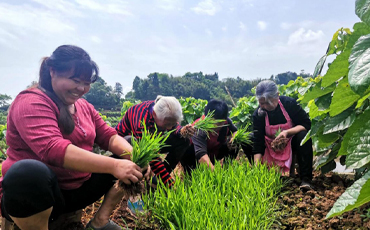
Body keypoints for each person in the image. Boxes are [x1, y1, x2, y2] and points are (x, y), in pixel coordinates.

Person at [0, 45, 151, 230]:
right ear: (52, 72)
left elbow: (109, 136)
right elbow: (53, 149)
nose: (81, 88)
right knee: (26, 173)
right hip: (38, 196)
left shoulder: (83, 106)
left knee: (130, 146)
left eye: (86, 82)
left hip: (76, 190)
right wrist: (116, 165)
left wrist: (134, 156)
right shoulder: (31, 102)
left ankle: (100, 221)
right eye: (75, 80)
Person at [116, 96, 195, 188]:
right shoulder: (141, 120)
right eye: (166, 124)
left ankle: (157, 181)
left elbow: (174, 127)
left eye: (172, 124)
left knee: (184, 140)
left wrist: (183, 130)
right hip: (127, 146)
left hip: (152, 141)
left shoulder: (161, 111)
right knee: (134, 145)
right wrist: (170, 184)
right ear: (154, 114)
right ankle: (137, 187)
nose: (169, 128)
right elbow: (152, 157)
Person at [252, 80, 313, 190]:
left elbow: (306, 124)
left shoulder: (289, 104)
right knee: (249, 138)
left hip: (290, 142)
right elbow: (258, 141)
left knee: (303, 136)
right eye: (262, 103)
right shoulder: (259, 114)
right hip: (270, 147)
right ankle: (263, 174)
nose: (265, 106)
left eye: (268, 102)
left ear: (277, 96)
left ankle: (306, 179)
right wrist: (256, 168)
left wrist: (287, 132)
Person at [180, 99, 253, 174]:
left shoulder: (226, 122)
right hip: (195, 156)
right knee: (187, 153)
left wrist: (233, 139)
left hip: (215, 152)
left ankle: (226, 170)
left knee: (236, 141)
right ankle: (190, 173)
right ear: (206, 117)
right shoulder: (199, 129)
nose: (216, 126)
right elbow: (201, 155)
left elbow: (235, 131)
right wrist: (217, 176)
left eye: (220, 123)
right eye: (213, 122)